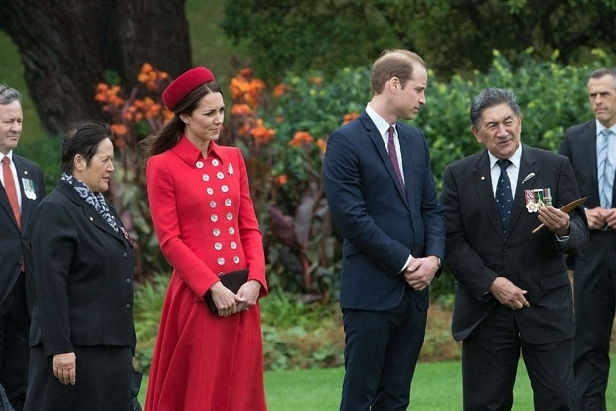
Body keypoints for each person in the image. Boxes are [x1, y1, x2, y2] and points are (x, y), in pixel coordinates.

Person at [442, 87, 589, 410]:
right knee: (485, 404)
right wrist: (492, 283)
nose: (502, 131)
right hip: (485, 312)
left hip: (546, 308)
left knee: (560, 402)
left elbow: (580, 235)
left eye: (508, 121)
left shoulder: (555, 166)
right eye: (491, 125)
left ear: (520, 122)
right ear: (477, 133)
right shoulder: (458, 175)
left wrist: (563, 228)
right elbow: (451, 241)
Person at [322, 49, 445, 410]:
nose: (423, 99)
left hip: (413, 299)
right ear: (394, 84)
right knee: (360, 398)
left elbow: (431, 209)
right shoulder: (345, 141)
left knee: (396, 399)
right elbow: (352, 219)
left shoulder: (415, 140)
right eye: (418, 89)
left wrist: (434, 259)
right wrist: (408, 263)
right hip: (370, 296)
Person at [142, 66, 268, 411]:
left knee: (242, 391)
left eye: (222, 111)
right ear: (184, 115)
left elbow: (249, 228)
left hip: (242, 298)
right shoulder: (162, 166)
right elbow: (170, 241)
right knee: (201, 391)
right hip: (200, 299)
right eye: (209, 113)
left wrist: (256, 280)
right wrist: (211, 286)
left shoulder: (233, 159)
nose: (219, 120)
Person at [24, 121, 137, 410]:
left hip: (109, 353)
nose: (112, 167)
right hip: (76, 357)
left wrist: (128, 346)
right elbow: (50, 287)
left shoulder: (101, 206)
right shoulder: (55, 209)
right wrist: (61, 349)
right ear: (79, 161)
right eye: (106, 159)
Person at [559, 67, 616, 410]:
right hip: (590, 252)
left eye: (604, 94)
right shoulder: (574, 138)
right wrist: (582, 215)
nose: (597, 101)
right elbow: (560, 194)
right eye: (592, 95)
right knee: (589, 343)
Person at [0, 84, 45, 411]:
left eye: (19, 121)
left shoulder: (31, 172)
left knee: (22, 380)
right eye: (7, 121)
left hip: (27, 293)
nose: (16, 128)